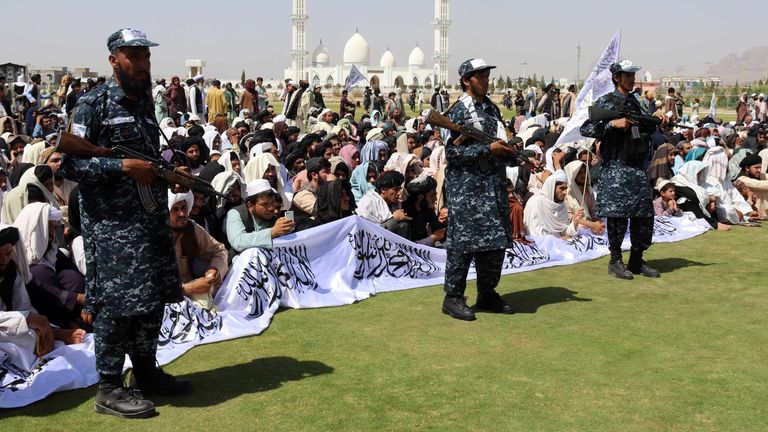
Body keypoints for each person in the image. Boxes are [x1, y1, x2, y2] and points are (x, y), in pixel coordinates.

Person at [61, 28, 191, 419]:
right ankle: (108, 386)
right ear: (114, 59)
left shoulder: (145, 103)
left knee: (150, 301)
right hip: (113, 229)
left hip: (148, 221)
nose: (142, 63)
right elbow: (70, 163)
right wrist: (121, 167)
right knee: (117, 305)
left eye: (146, 56)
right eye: (133, 56)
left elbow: (148, 160)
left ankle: (147, 372)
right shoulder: (92, 105)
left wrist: (170, 172)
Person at [441, 58, 516, 321]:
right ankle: (453, 297)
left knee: (495, 243)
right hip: (467, 190)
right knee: (463, 244)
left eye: (486, 76)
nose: (486, 80)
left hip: (492, 187)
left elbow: (502, 139)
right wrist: (487, 149)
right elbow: (452, 153)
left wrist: (511, 150)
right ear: (466, 81)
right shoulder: (458, 112)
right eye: (480, 76)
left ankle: (487, 293)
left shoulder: (492, 109)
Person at [580, 60, 667, 280]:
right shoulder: (608, 102)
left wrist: (657, 119)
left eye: (632, 75)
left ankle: (637, 260)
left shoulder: (635, 101)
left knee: (643, 216)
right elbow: (586, 128)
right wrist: (612, 125)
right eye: (627, 75)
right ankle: (616, 261)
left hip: (636, 168)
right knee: (617, 217)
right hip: (616, 168)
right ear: (616, 77)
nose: (631, 79)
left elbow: (643, 125)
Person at [168, 191, 228, 311]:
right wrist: (187, 289)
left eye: (184, 207)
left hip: (193, 293)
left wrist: (214, 269)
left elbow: (219, 250)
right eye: (175, 209)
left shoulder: (191, 228)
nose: (181, 213)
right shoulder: (154, 236)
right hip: (169, 299)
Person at [224, 179, 294, 254]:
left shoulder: (273, 220)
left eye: (272, 202)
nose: (271, 208)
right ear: (250, 205)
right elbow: (238, 242)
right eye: (265, 204)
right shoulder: (235, 213)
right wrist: (272, 232)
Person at [355, 170, 411, 238]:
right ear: (383, 190)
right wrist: (395, 219)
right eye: (395, 190)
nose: (399, 193)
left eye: (399, 190)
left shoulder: (396, 204)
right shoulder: (368, 203)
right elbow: (372, 234)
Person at [734, 153, 768, 218]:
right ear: (747, 168)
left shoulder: (757, 174)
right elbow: (762, 185)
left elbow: (765, 176)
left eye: (760, 167)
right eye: (756, 168)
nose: (759, 170)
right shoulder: (742, 179)